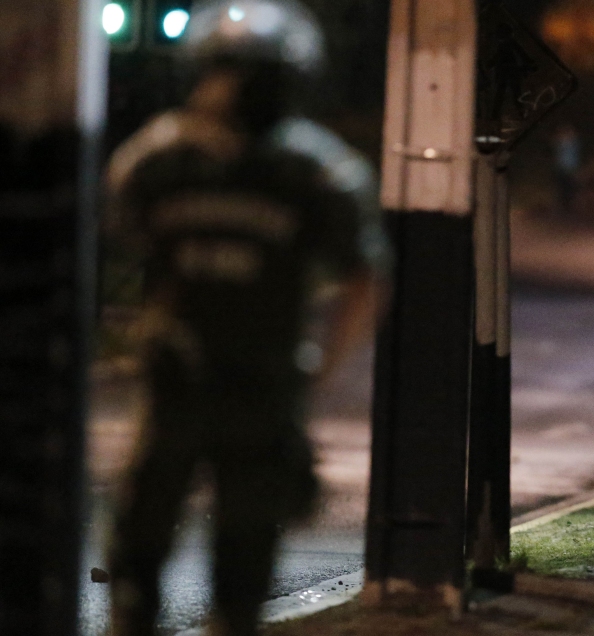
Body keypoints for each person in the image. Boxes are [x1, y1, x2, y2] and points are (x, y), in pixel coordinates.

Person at [104, 2, 390, 634]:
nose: (231, 89)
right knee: (141, 540)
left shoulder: (312, 170)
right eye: (223, 70)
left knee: (242, 552)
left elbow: (365, 276)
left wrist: (319, 366)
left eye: (250, 74)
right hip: (183, 372)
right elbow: (118, 235)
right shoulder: (162, 160)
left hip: (257, 380)